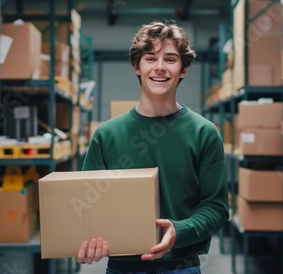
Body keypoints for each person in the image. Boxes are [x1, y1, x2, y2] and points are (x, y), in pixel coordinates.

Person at [76, 20, 229, 274]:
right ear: (137, 66)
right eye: (150, 58)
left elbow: (216, 207)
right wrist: (87, 242)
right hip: (121, 267)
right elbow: (87, 207)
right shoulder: (106, 135)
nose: (160, 67)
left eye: (170, 59)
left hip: (181, 266)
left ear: (183, 70)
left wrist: (178, 232)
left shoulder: (204, 133)